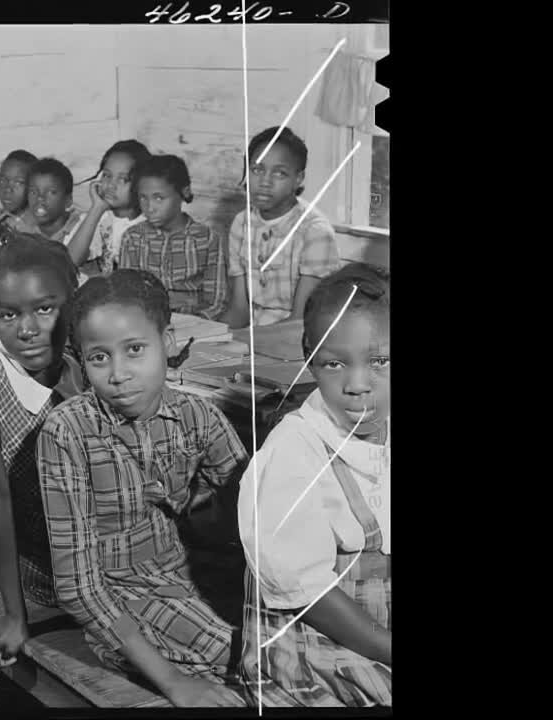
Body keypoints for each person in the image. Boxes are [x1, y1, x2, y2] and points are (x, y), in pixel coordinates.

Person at [37, 269, 248, 707]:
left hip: (193, 576)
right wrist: (173, 683)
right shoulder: (67, 432)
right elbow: (79, 587)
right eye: (99, 358)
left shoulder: (198, 415)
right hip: (119, 601)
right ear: (82, 359)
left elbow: (253, 515)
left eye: (135, 350)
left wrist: (204, 507)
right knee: (246, 658)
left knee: (287, 644)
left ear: (167, 344)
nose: (118, 374)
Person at [238, 263, 391, 707]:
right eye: (334, 363)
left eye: (379, 361)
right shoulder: (293, 451)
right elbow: (306, 594)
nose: (358, 385)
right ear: (309, 356)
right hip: (313, 640)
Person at [0, 234, 84, 667]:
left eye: (45, 309)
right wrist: (14, 616)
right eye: (8, 314)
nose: (26, 330)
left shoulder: (83, 360)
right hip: (42, 567)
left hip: (96, 545)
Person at [224, 126, 343, 328]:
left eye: (279, 173)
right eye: (257, 170)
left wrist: (248, 344)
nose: (265, 182)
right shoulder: (241, 223)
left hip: (296, 341)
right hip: (251, 337)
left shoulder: (314, 232)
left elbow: (299, 322)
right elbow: (239, 311)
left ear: (298, 179)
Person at [108, 155, 229, 320]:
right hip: (147, 324)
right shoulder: (133, 238)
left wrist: (196, 324)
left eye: (159, 198)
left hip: (197, 326)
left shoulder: (206, 239)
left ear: (184, 192)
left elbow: (216, 301)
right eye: (143, 197)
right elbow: (127, 296)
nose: (150, 207)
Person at [65, 140, 152, 277]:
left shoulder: (152, 223)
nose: (111, 185)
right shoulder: (100, 219)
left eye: (123, 179)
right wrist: (97, 209)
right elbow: (71, 260)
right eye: (107, 175)